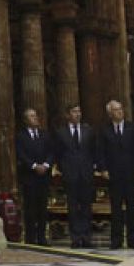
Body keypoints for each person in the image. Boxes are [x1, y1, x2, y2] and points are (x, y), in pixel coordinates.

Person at [97, 100, 134, 249]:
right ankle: (116, 240)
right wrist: (103, 169)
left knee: (132, 208)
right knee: (116, 208)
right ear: (110, 113)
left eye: (121, 109)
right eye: (116, 110)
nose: (120, 112)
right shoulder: (104, 130)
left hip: (130, 173)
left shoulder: (132, 128)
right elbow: (101, 152)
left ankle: (133, 239)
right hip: (113, 174)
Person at [53, 103, 96, 248]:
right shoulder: (60, 132)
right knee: (72, 207)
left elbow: (93, 151)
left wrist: (93, 167)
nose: (77, 114)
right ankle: (75, 237)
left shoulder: (88, 131)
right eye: (74, 112)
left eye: (79, 111)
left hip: (86, 173)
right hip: (70, 173)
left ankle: (86, 236)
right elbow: (58, 153)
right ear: (67, 115)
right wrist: (63, 168)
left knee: (86, 206)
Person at [14, 107, 52, 244]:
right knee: (30, 209)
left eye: (35, 116)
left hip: (43, 177)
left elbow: (50, 152)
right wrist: (35, 166)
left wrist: (46, 165)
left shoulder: (44, 134)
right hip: (29, 176)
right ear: (25, 120)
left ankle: (42, 236)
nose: (35, 118)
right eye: (31, 116)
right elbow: (21, 155)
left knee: (42, 208)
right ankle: (30, 237)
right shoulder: (21, 136)